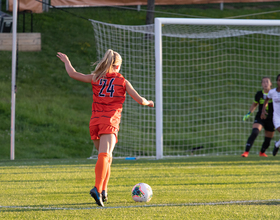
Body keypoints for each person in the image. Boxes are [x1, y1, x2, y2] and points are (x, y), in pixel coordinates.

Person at [57, 49, 154, 207]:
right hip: (109, 122)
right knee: (105, 155)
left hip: (95, 121)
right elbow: (140, 100)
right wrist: (149, 102)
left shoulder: (96, 77)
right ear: (118, 66)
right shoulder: (122, 81)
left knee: (107, 157)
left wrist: (67, 61)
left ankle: (104, 191)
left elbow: (73, 74)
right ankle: (97, 188)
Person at [241, 77, 274, 157]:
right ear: (261, 84)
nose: (265, 84)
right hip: (260, 117)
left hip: (271, 118)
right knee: (255, 132)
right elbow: (255, 104)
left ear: (270, 84)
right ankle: (246, 152)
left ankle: (262, 152)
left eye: (267, 82)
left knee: (268, 139)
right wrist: (248, 114)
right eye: (263, 82)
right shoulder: (259, 94)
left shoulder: (274, 93)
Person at [261, 74, 280, 157]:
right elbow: (266, 100)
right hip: (277, 117)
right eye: (279, 80)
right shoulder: (272, 92)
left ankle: (277, 144)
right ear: (277, 82)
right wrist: (263, 110)